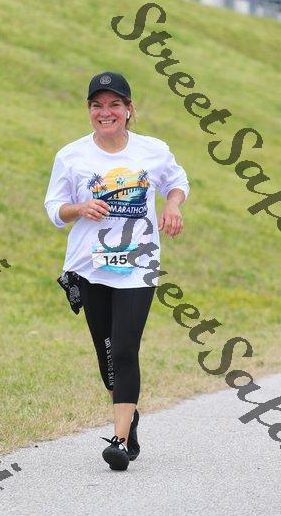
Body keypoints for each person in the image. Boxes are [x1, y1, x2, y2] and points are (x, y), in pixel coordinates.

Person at [44, 71, 189, 471]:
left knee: (125, 348)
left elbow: (177, 181)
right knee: (107, 354)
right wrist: (79, 208)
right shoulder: (71, 156)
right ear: (89, 110)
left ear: (128, 109)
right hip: (90, 267)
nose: (104, 112)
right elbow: (54, 208)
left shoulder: (153, 150)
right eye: (97, 105)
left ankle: (120, 442)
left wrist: (172, 205)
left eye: (113, 105)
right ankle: (130, 415)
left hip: (138, 265)